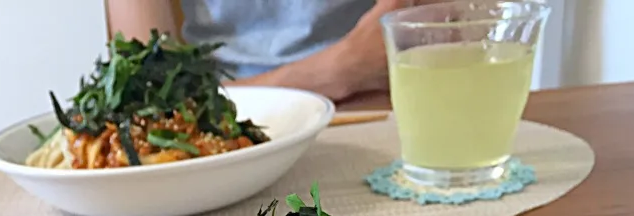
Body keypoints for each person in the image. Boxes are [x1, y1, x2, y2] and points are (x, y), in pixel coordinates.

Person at [105, 0, 421, 102]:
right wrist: (332, 73)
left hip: (375, 103)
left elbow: (434, 26)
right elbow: (147, 90)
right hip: (221, 114)